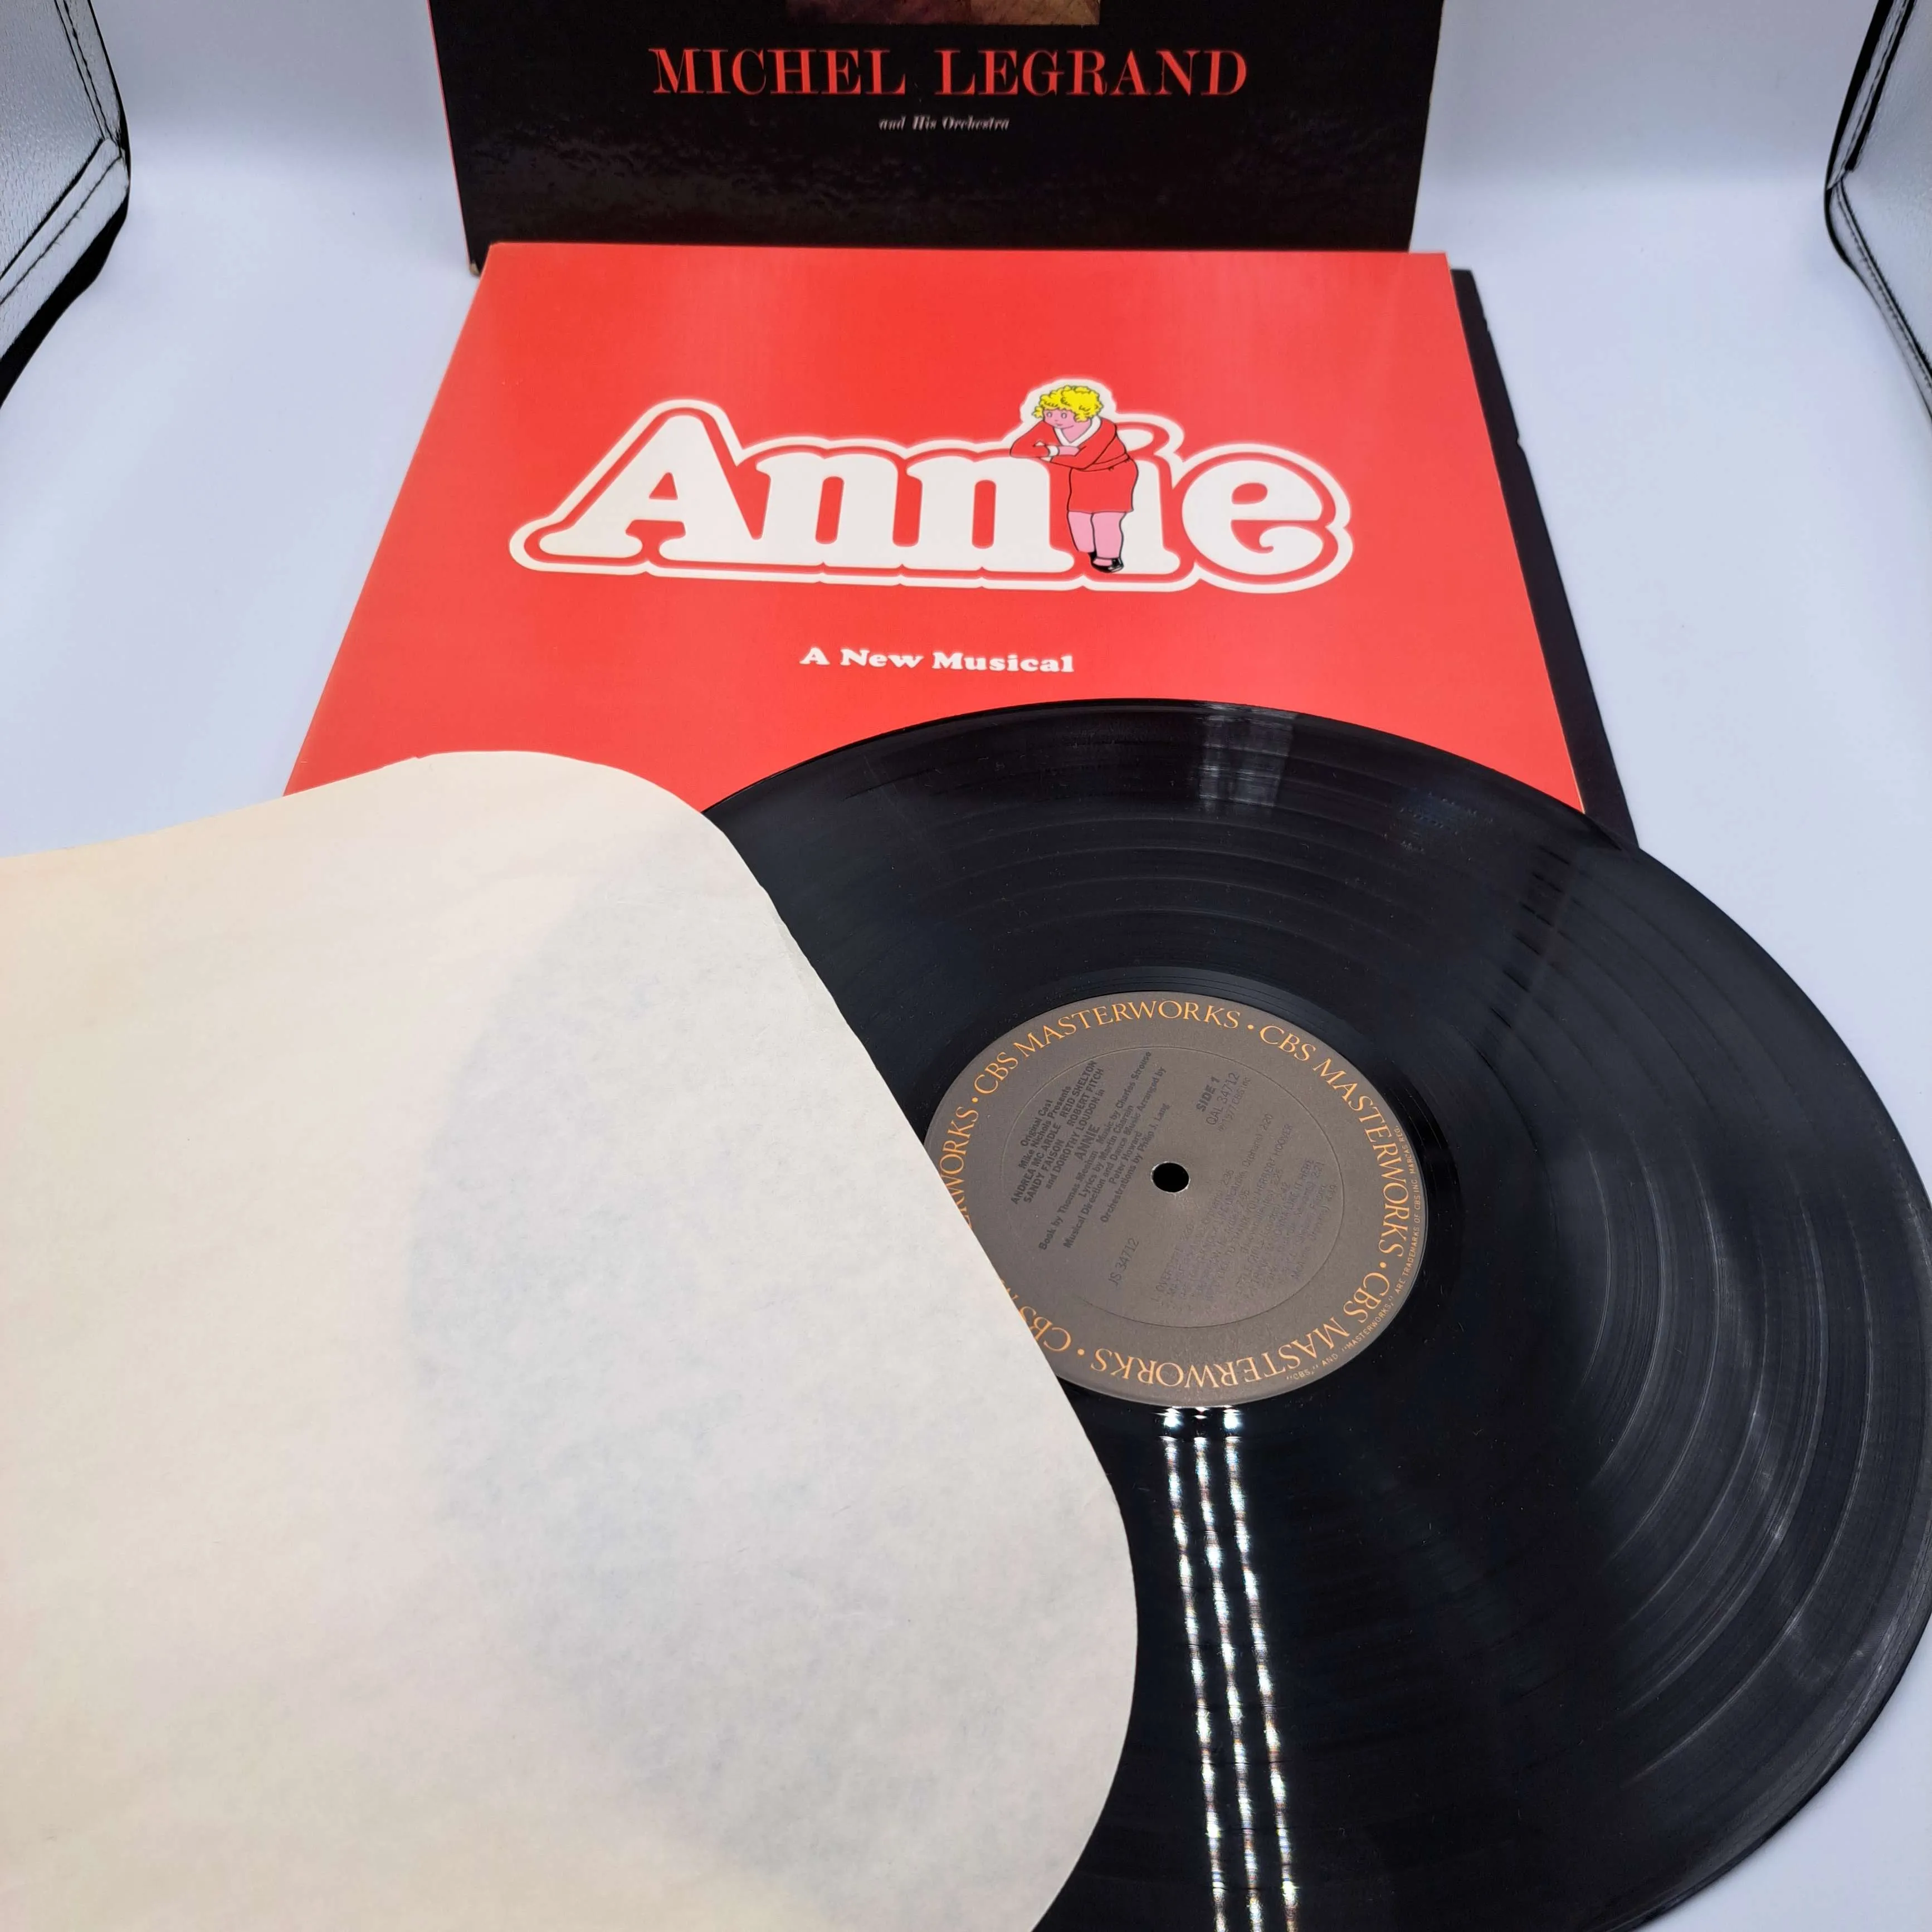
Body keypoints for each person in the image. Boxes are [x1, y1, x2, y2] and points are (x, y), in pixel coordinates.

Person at [1011, 382, 1137, 572]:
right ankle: (1090, 552)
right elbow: (1018, 449)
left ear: (1082, 412)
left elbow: (1082, 460)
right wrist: (1057, 450)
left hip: (1115, 472)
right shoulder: (1049, 425)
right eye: (1049, 413)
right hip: (1081, 476)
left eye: (1063, 415)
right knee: (1079, 519)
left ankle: (1109, 557)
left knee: (1106, 518)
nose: (1055, 419)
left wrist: (1047, 456)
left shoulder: (1105, 428)